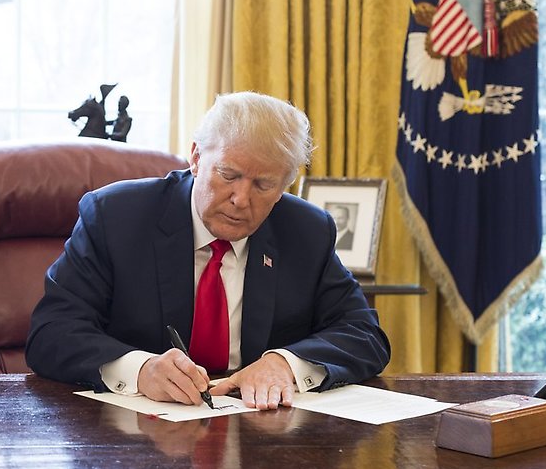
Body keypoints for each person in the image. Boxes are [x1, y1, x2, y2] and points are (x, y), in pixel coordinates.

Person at [26, 91, 390, 411]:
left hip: (260, 437)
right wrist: (140, 370)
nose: (241, 199)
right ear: (197, 157)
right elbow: (51, 333)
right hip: (137, 435)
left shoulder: (307, 231)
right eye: (229, 175)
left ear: (284, 185)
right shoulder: (115, 217)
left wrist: (285, 363)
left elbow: (364, 334)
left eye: (264, 184)